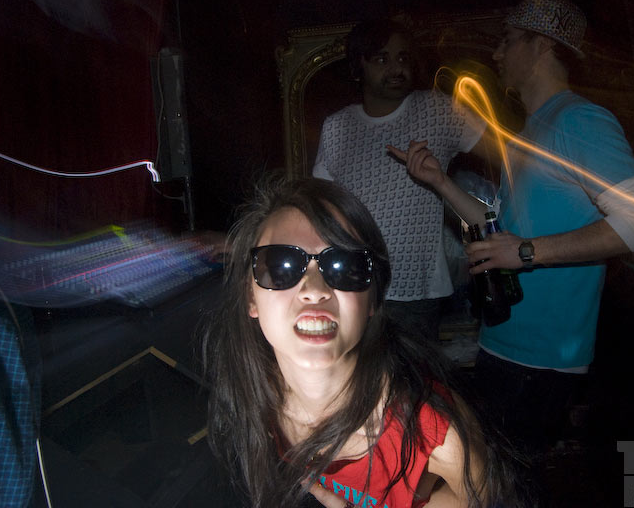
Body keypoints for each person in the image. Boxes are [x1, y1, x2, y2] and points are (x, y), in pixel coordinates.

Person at [388, 0, 634, 456]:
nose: (497, 53)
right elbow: (497, 228)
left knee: (504, 484)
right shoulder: (531, 130)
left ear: (542, 45)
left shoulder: (581, 121)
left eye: (508, 40)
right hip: (504, 344)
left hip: (541, 361)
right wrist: (440, 182)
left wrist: (526, 252)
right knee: (491, 478)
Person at [202, 176, 521, 508]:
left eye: (344, 266)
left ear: (372, 300)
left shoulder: (434, 431)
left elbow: (486, 497)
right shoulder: (245, 393)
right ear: (250, 296)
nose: (314, 290)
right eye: (281, 265)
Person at [312, 19, 486, 342]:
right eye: (382, 59)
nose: (396, 68)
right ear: (359, 66)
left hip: (417, 293)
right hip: (355, 285)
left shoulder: (437, 109)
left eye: (403, 58)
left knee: (415, 372)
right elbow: (320, 208)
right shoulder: (338, 127)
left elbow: (502, 152)